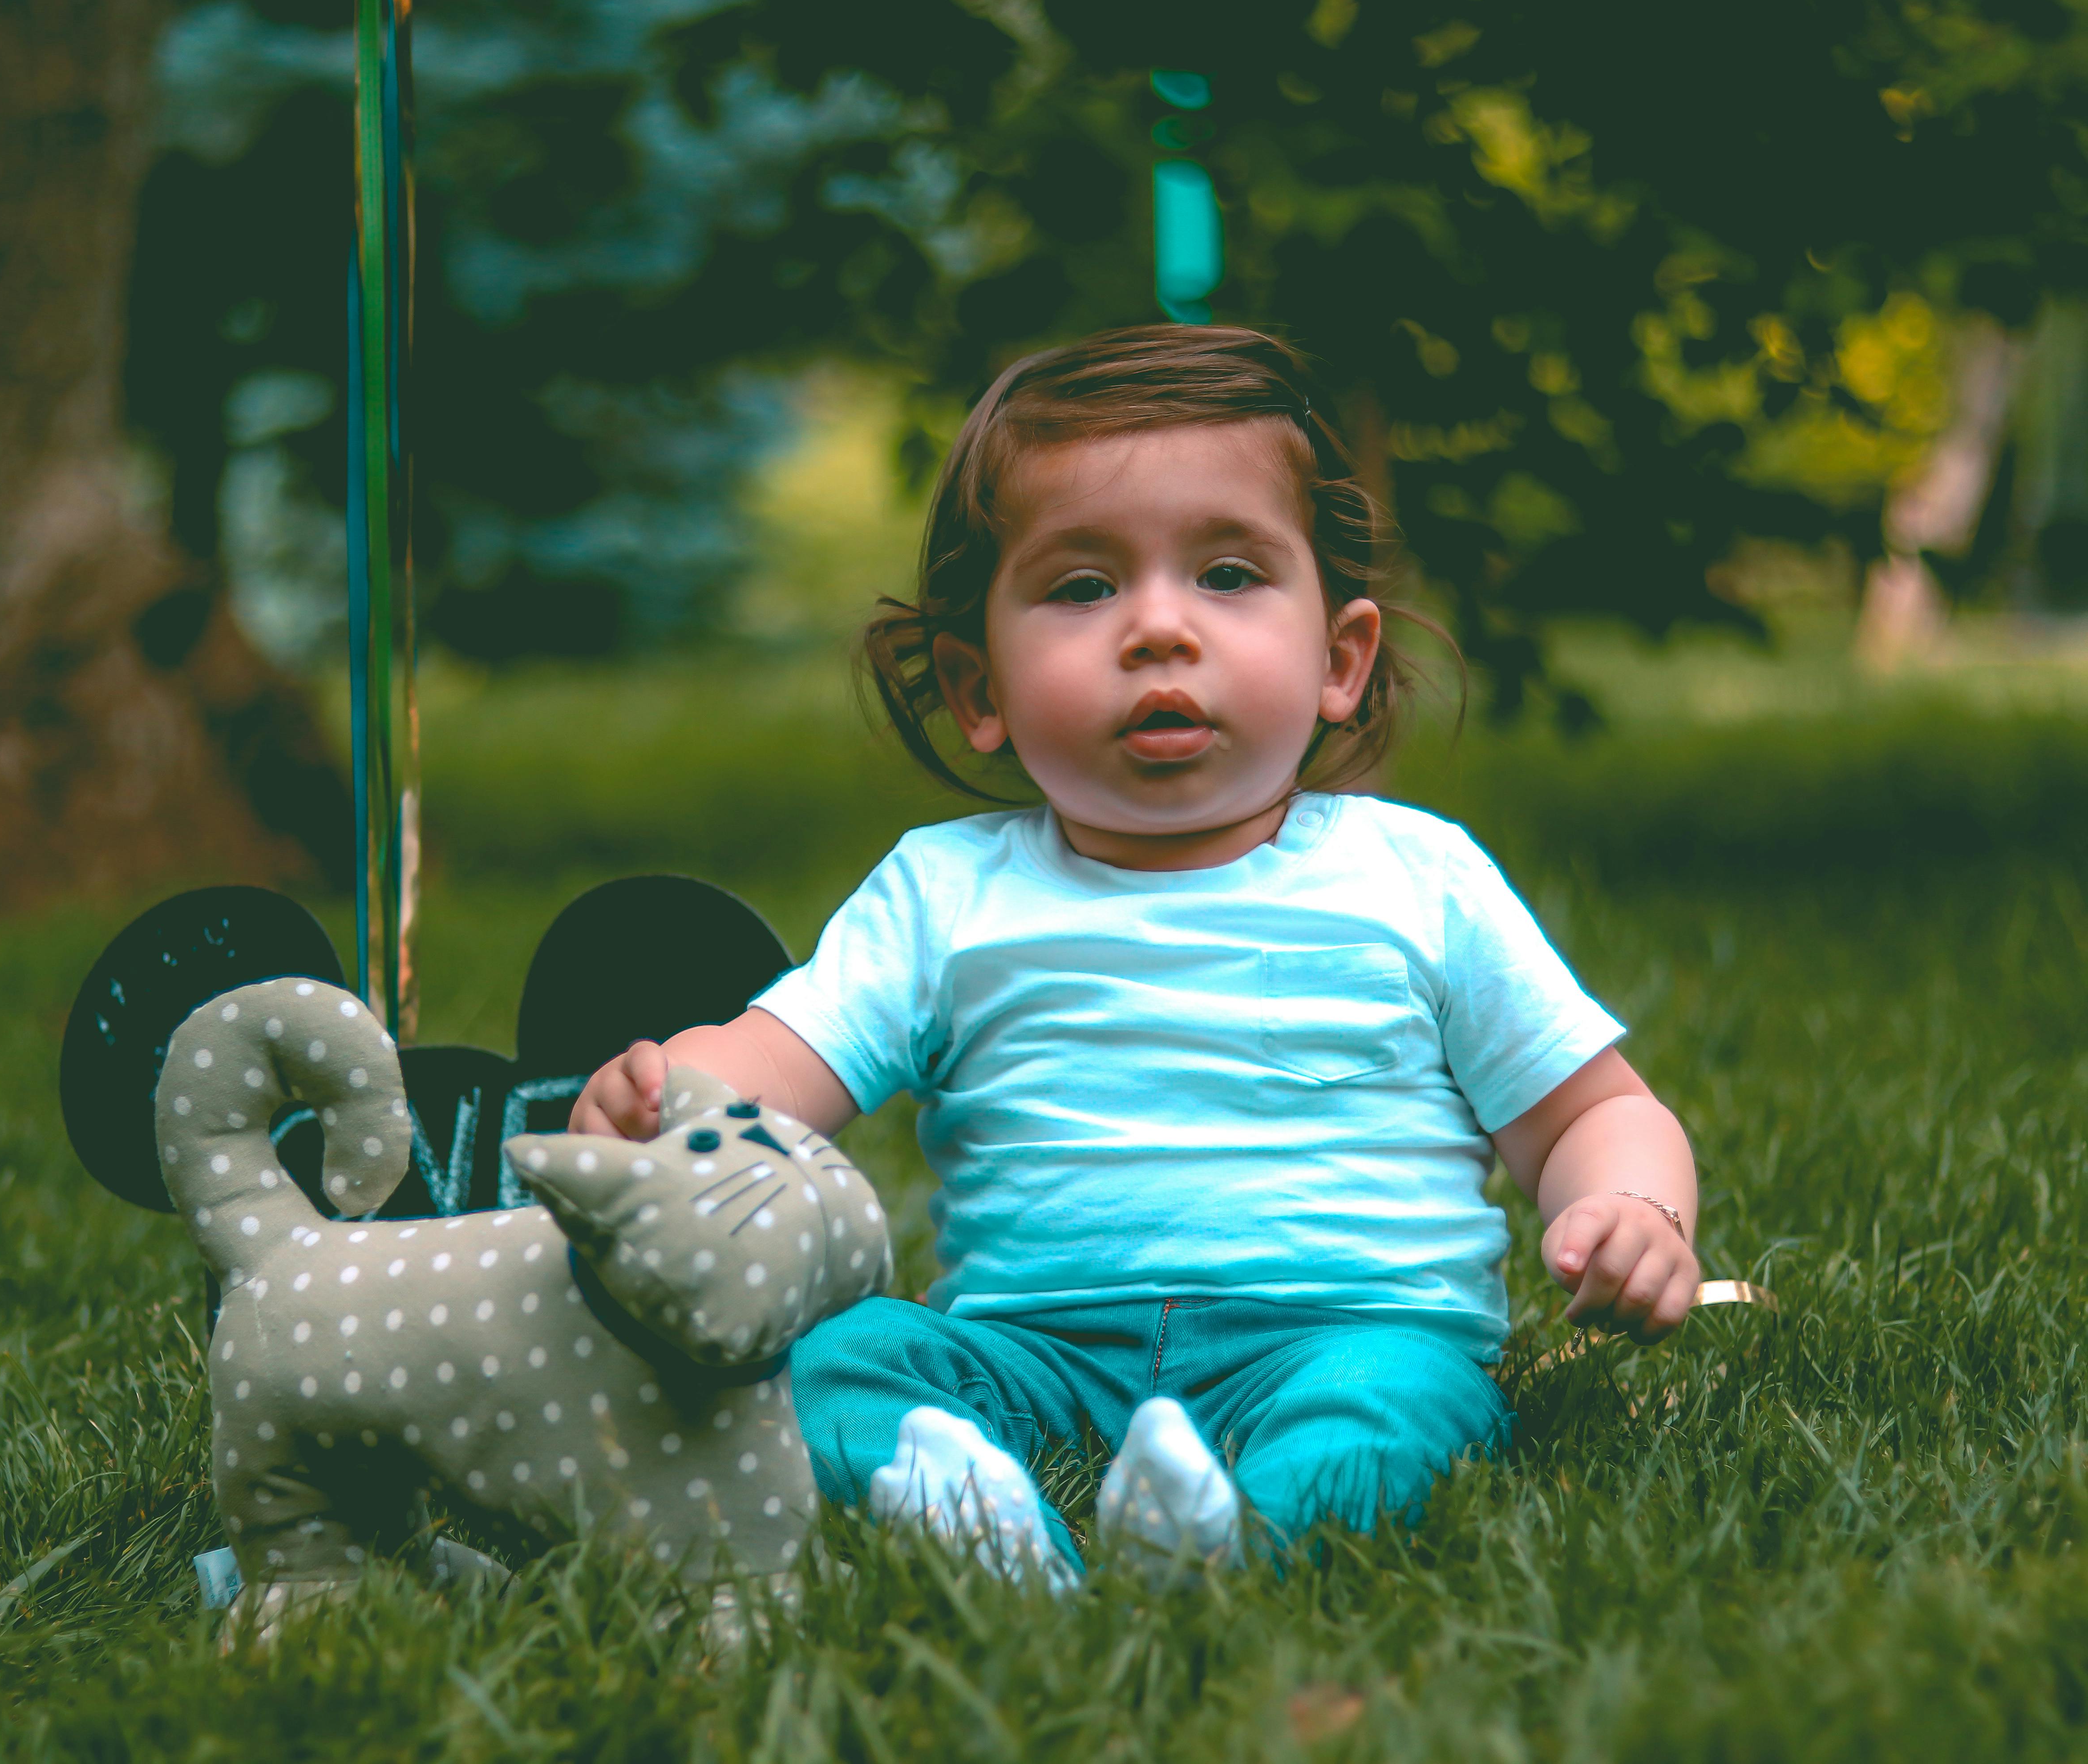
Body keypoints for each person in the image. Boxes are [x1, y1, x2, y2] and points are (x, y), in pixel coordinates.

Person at [568, 323, 1700, 1583]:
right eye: (1082, 587)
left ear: (1340, 659)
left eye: (1226, 574)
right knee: (841, 1360)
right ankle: (976, 1516)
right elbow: (787, 1057)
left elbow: (1591, 1110)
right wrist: (682, 1097)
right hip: (1034, 1347)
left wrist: (1630, 1207)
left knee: (1389, 1413)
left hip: (1344, 1331)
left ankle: (1235, 1545)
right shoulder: (946, 893)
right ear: (977, 687)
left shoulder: (1413, 878)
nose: (1158, 628)